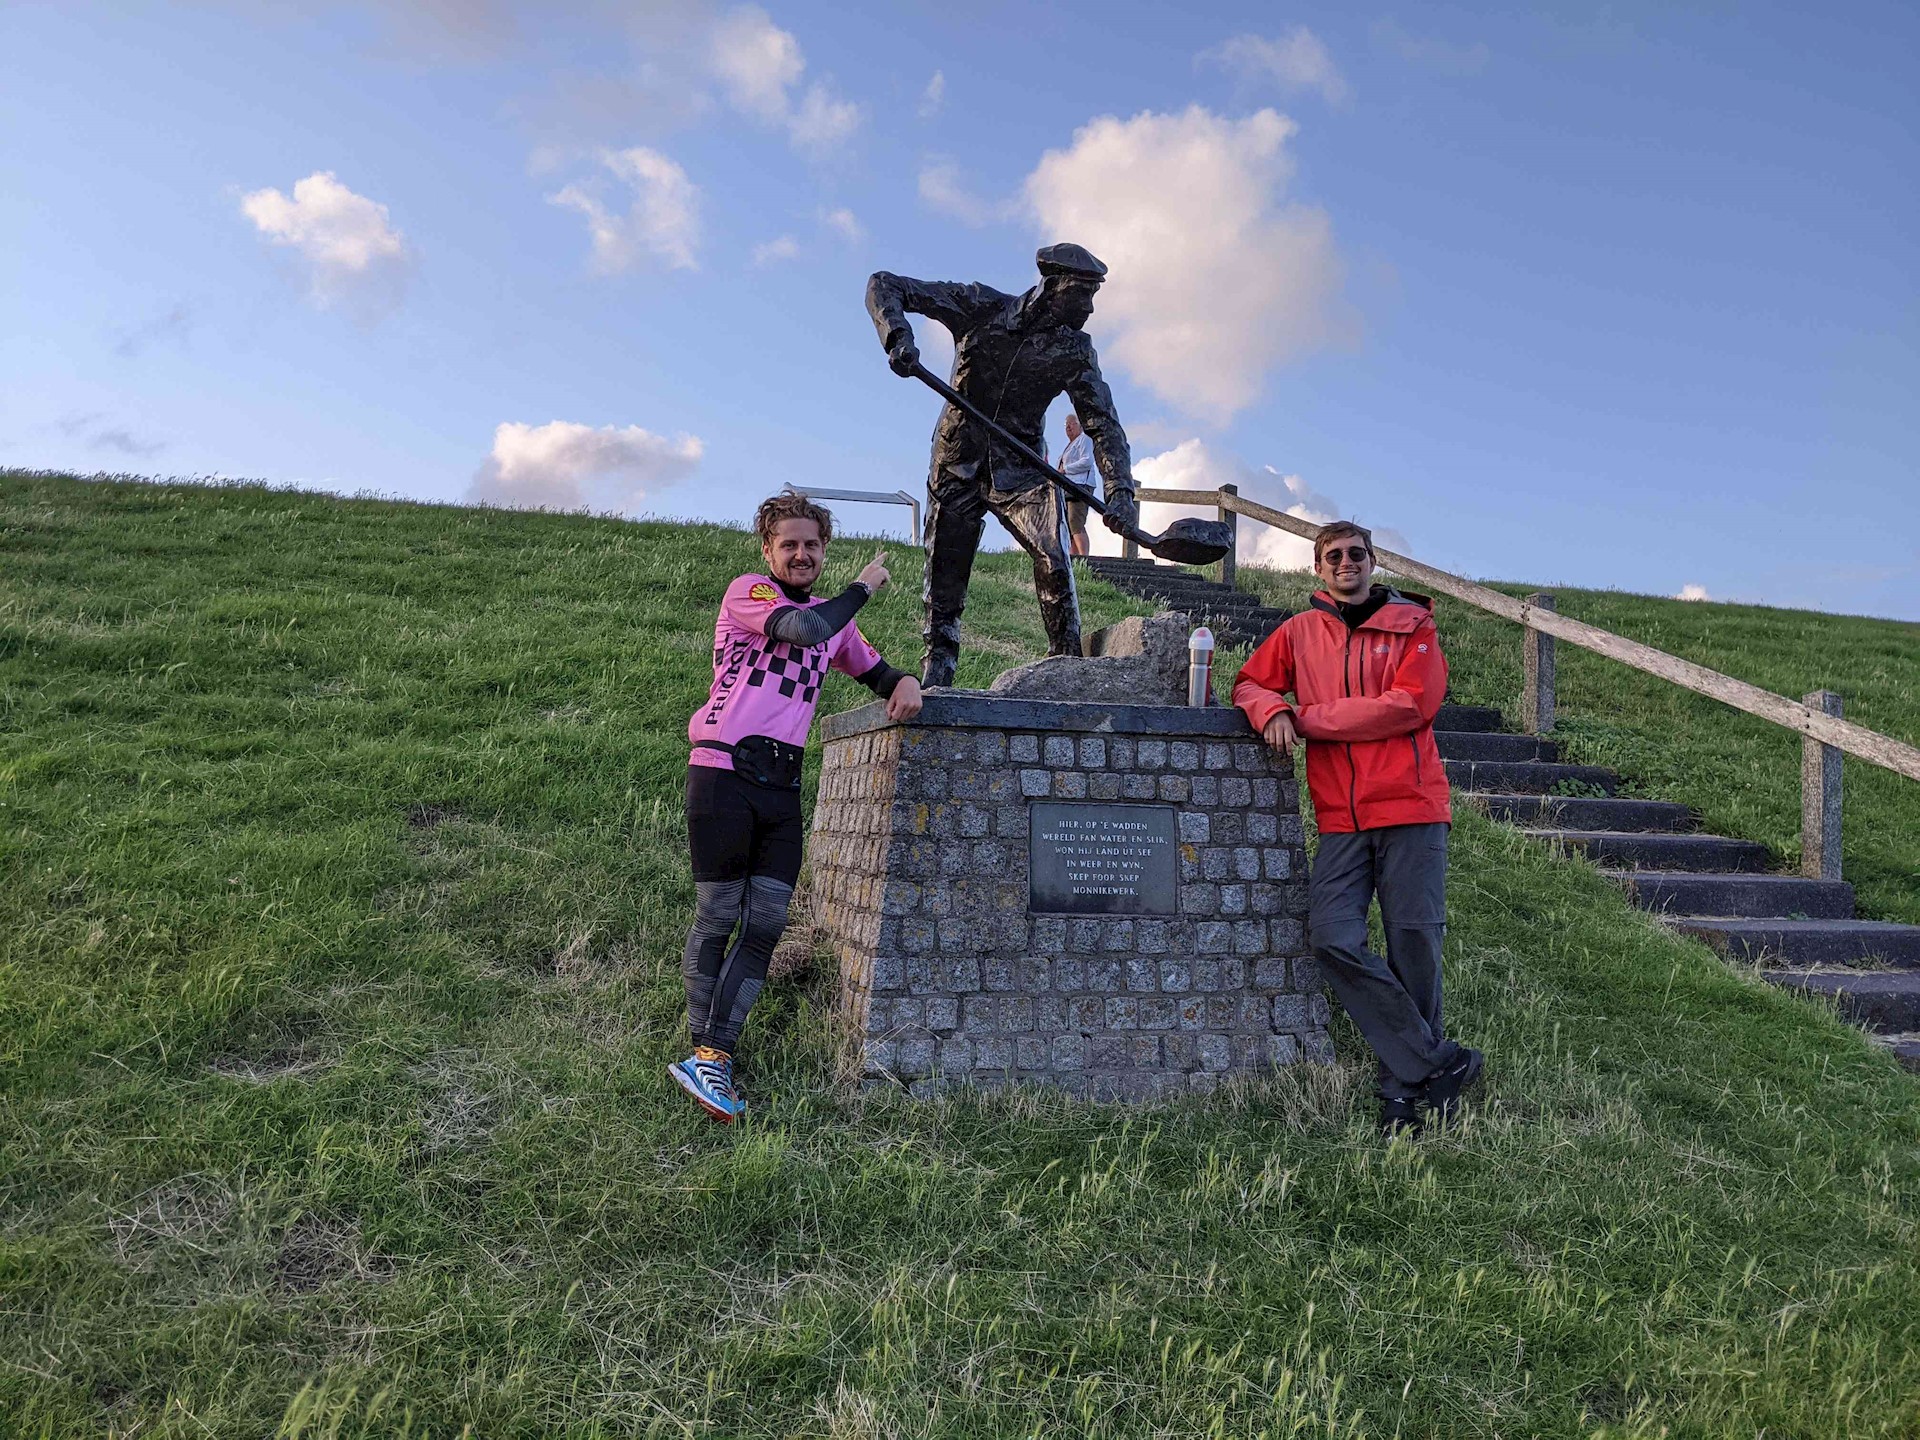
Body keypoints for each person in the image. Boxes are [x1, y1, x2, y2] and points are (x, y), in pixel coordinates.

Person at [674, 493, 923, 1122]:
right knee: (721, 913)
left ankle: (714, 1053)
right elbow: (805, 628)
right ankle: (709, 1052)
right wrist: (864, 586)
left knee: (766, 923)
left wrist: (906, 682)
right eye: (789, 543)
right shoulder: (750, 593)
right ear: (768, 550)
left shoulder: (834, 622)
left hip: (782, 788)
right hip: (724, 774)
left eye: (812, 544)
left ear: (823, 549)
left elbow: (874, 669)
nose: (801, 554)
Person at [1231, 521, 1484, 1135]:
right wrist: (1272, 709)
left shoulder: (1412, 626)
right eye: (1333, 556)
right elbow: (1249, 682)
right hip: (1341, 818)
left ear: (1374, 562)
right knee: (1333, 938)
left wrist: (1307, 718)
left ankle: (1402, 1093)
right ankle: (1439, 1063)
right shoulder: (1299, 631)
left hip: (1412, 810)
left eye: (1357, 554)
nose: (1346, 563)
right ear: (1319, 568)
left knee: (1413, 944)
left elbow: (1410, 706)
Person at [866, 243, 1140, 687]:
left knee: (1053, 558)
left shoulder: (1075, 351)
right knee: (945, 571)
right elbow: (885, 285)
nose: (1090, 308)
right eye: (1083, 294)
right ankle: (938, 671)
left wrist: (1120, 492)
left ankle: (1067, 668)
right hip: (958, 461)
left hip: (1023, 467)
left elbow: (1105, 425)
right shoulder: (979, 307)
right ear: (1054, 287)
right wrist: (897, 337)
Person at [1058, 412, 1094, 557]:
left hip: (1080, 486)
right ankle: (1073, 557)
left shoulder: (1084, 440)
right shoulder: (1069, 446)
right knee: (1068, 523)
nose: (1068, 427)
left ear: (1080, 425)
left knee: (1075, 521)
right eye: (1066, 424)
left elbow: (1087, 461)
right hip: (1067, 487)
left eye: (1072, 423)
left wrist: (1065, 470)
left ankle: (1084, 556)